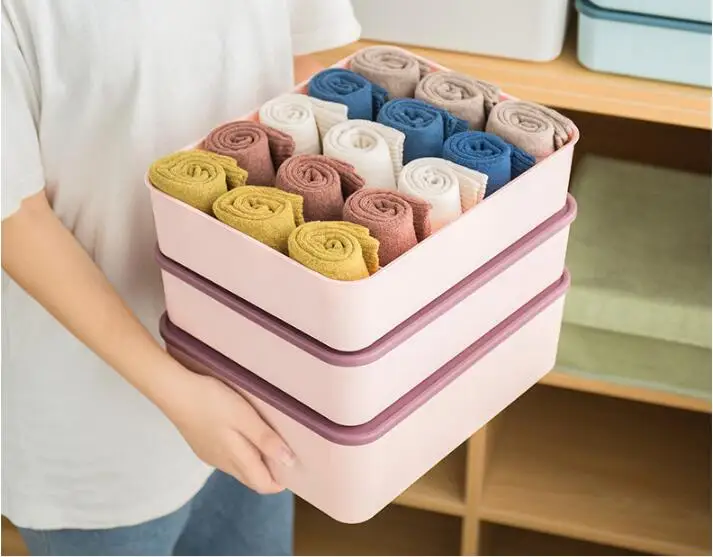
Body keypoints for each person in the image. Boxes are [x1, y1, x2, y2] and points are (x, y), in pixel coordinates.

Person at [1, 1, 361, 554]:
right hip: (100, 419)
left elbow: (288, 69)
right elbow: (15, 216)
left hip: (262, 374)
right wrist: (179, 394)